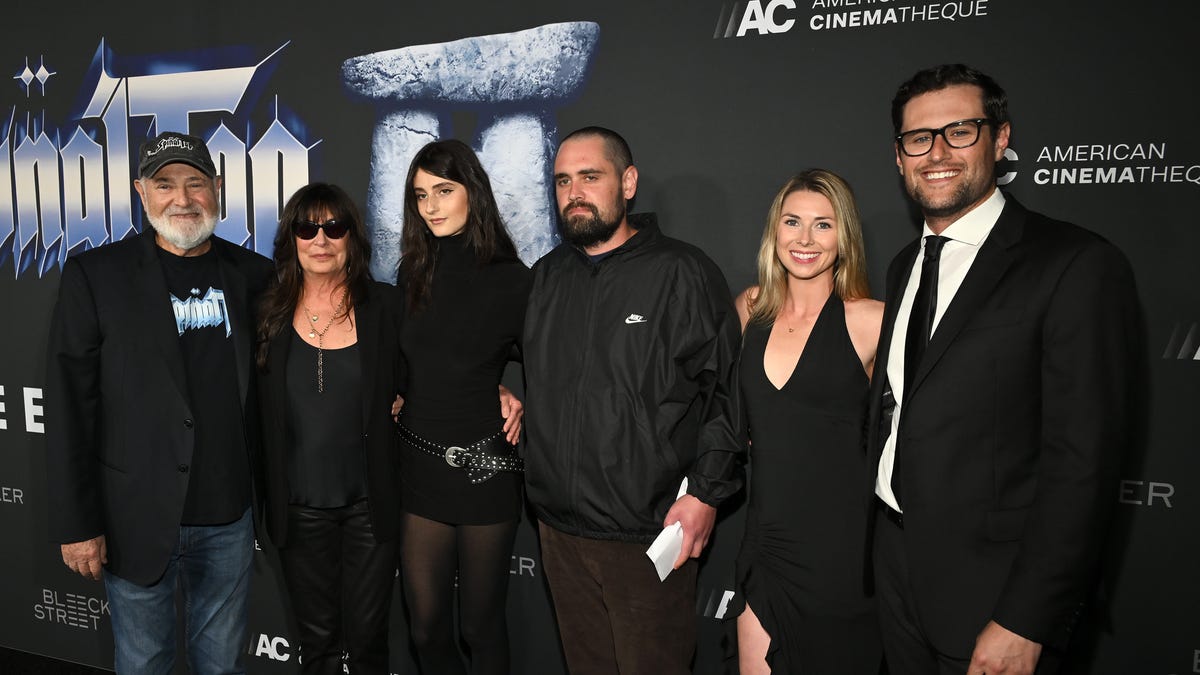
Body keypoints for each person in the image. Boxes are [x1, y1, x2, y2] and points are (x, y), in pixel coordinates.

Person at [869, 64, 1140, 674]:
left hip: (995, 591)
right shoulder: (903, 264)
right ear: (899, 156)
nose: (937, 153)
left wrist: (1027, 618)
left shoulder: (1074, 264)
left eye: (960, 131)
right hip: (894, 569)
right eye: (919, 138)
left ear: (1000, 139)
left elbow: (1084, 462)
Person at [45, 131, 273, 673]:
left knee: (222, 665)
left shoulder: (256, 275)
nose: (182, 198)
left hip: (229, 517)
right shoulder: (95, 276)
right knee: (144, 663)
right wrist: (78, 524)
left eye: (196, 183)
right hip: (134, 518)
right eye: (165, 184)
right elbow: (70, 408)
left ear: (218, 188)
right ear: (141, 192)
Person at [523, 126, 745, 675]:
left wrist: (707, 494)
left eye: (589, 177)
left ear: (627, 183)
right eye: (562, 181)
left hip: (648, 534)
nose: (574, 192)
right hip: (558, 532)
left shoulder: (683, 273)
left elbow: (727, 394)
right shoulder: (546, 278)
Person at [733, 169, 884, 674]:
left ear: (844, 238)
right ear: (774, 230)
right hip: (765, 541)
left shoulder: (872, 320)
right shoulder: (750, 310)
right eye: (792, 221)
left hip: (842, 552)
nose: (805, 239)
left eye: (823, 225)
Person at [394, 139, 530, 675]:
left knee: (480, 627)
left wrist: (515, 394)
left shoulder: (513, 280)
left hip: (485, 465)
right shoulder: (412, 273)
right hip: (420, 464)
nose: (430, 206)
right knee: (425, 628)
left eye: (444, 191)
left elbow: (552, 366)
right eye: (420, 195)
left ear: (473, 191)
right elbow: (407, 365)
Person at [255, 183, 403, 674]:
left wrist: (496, 387)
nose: (320, 239)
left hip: (369, 507)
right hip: (299, 510)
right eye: (306, 227)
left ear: (352, 238)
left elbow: (431, 369)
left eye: (333, 227)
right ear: (292, 238)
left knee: (368, 643)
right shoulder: (266, 312)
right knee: (316, 645)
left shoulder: (386, 307)